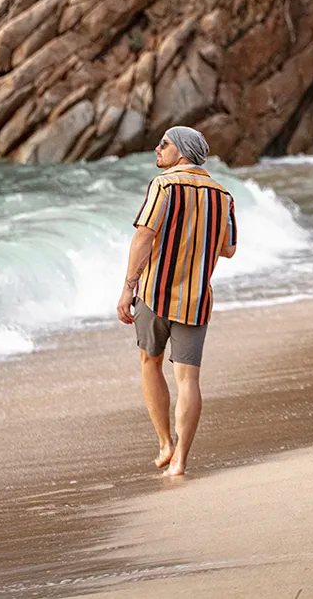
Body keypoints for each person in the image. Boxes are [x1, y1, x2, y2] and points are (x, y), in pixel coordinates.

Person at [116, 125, 237, 477]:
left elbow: (144, 234)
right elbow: (228, 249)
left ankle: (165, 442)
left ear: (181, 152)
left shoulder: (163, 185)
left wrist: (128, 287)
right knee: (189, 379)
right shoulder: (223, 194)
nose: (157, 148)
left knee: (150, 363)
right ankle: (180, 460)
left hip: (155, 293)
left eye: (164, 144)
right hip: (197, 298)